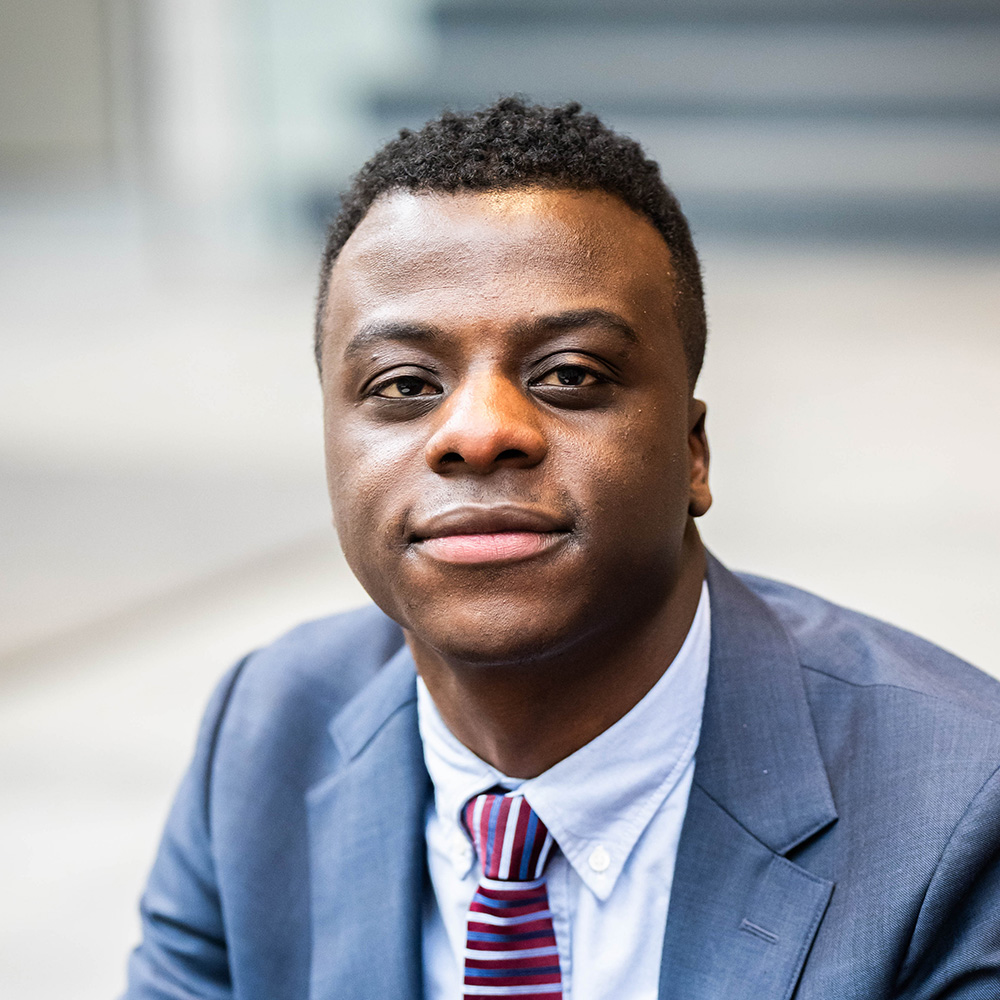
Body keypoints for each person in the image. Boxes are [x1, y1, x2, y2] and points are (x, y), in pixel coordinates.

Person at [124, 99, 1000, 1000]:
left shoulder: (962, 807)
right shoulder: (267, 736)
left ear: (693, 455)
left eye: (570, 375)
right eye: (403, 384)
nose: (476, 432)